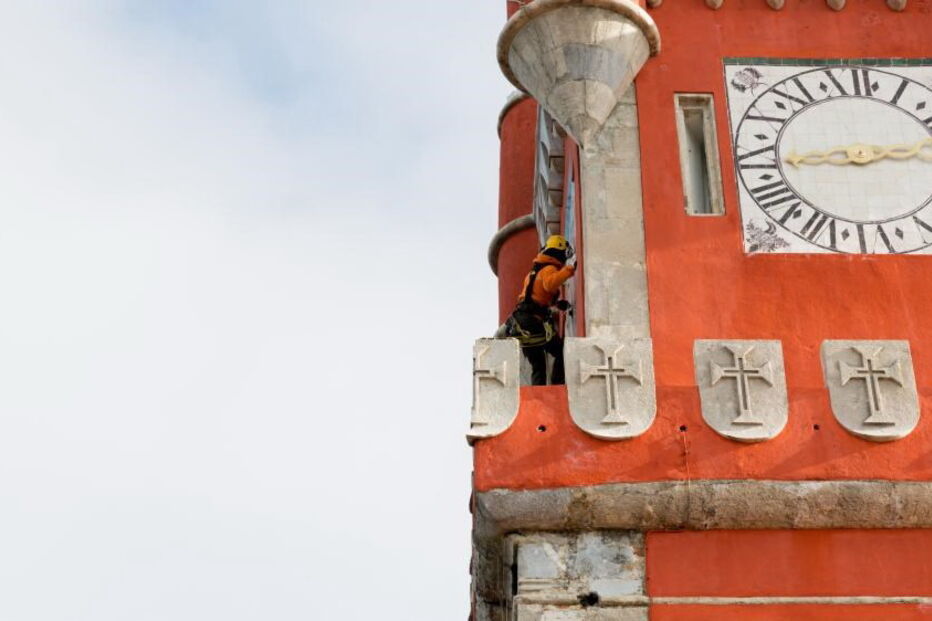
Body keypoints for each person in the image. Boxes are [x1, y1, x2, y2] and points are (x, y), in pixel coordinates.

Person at [501, 234, 576, 386]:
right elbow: (549, 284)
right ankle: (557, 385)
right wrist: (570, 269)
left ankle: (540, 395)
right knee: (560, 350)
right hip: (531, 323)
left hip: (520, 323)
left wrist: (556, 304)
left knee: (538, 365)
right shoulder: (549, 268)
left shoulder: (533, 272)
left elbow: (537, 296)